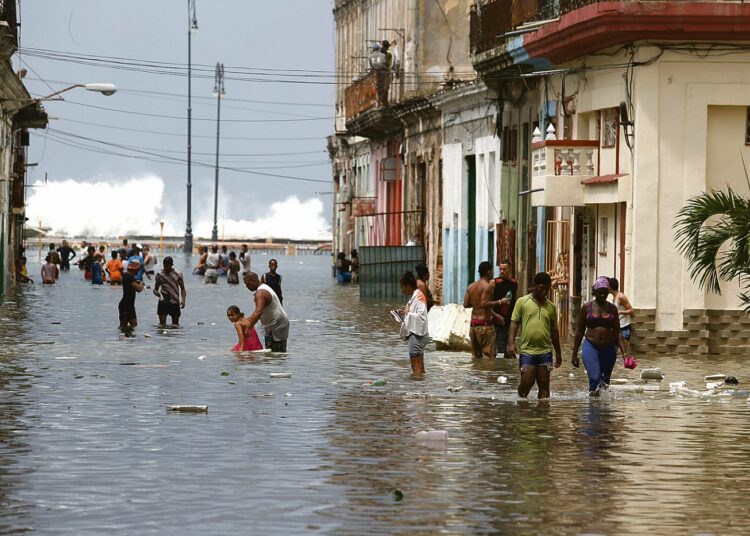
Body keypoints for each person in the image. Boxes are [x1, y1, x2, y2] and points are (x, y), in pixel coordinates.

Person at [508, 272, 563, 399]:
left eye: (546, 289)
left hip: (545, 351)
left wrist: (558, 353)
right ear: (534, 286)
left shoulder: (551, 307)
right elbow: (514, 324)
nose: (544, 292)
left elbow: (554, 331)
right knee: (527, 383)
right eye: (541, 288)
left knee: (544, 387)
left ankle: (542, 416)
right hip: (527, 351)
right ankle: (522, 408)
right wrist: (511, 344)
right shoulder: (522, 302)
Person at [571, 276, 628, 396]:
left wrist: (625, 354)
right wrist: (574, 354)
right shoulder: (587, 307)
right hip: (591, 347)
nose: (603, 295)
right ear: (594, 292)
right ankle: (592, 411)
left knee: (605, 383)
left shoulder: (612, 309)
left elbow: (617, 332)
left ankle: (603, 412)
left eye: (605, 292)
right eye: (600, 292)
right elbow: (580, 332)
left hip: (609, 349)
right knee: (595, 378)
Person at [463, 261, 505, 359]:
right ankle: (485, 375)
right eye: (492, 271)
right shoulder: (487, 286)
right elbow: (484, 303)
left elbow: (465, 304)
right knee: (488, 359)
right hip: (485, 326)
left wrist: (495, 315)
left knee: (476, 359)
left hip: (473, 326)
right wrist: (500, 301)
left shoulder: (471, 286)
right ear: (488, 272)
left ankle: (476, 375)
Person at [243, 271, 290, 352]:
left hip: (276, 326)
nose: (246, 286)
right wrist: (248, 320)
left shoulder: (260, 293)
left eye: (247, 284)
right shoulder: (263, 288)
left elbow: (258, 312)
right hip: (275, 325)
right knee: (272, 354)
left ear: (253, 281)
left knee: (275, 354)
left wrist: (248, 327)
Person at [397, 270, 428, 375]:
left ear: (408, 286)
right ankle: (422, 387)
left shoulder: (419, 297)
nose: (402, 291)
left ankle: (416, 389)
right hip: (417, 334)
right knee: (420, 368)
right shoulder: (414, 297)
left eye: (402, 287)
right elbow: (412, 314)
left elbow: (421, 316)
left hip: (417, 335)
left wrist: (406, 314)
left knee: (415, 368)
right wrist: (403, 314)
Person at [492, 260, 518, 358]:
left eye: (504, 269)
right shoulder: (495, 282)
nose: (502, 271)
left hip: (509, 320)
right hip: (496, 320)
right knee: (494, 351)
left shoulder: (514, 283)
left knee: (508, 352)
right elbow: (487, 303)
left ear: (509, 269)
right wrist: (494, 315)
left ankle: (507, 372)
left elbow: (514, 300)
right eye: (500, 269)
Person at [153, 256, 186, 327]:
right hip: (163, 301)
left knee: (175, 325)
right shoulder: (159, 274)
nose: (166, 267)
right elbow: (155, 289)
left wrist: (183, 300)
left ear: (171, 265)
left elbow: (183, 289)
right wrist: (156, 293)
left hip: (174, 301)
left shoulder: (178, 274)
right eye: (165, 265)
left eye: (168, 265)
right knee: (162, 326)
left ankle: (173, 337)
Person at [608, 277, 635, 353]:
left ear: (610, 286)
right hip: (616, 327)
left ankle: (627, 364)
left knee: (624, 352)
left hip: (624, 328)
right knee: (613, 352)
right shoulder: (614, 297)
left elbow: (632, 311)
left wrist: (620, 312)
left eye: (607, 285)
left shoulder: (621, 297)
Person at [119, 259, 144, 331]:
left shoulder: (127, 276)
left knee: (134, 325)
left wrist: (137, 282)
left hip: (130, 306)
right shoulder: (129, 277)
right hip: (125, 306)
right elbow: (139, 289)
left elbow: (132, 284)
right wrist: (141, 283)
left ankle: (130, 340)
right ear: (134, 270)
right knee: (123, 327)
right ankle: (122, 340)